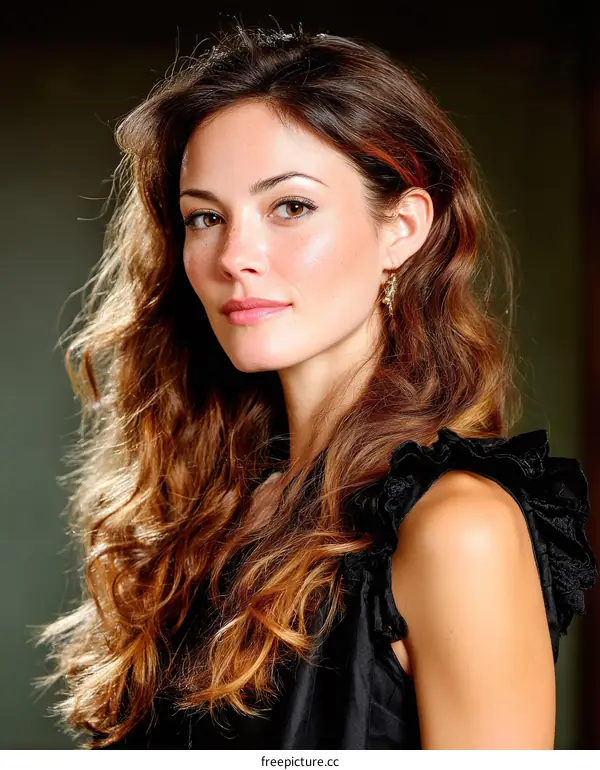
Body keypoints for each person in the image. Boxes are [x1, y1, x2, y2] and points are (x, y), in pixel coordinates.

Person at [35, 23, 597, 750]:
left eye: (291, 207)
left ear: (402, 228)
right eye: (205, 217)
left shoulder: (459, 529)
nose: (235, 255)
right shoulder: (210, 512)